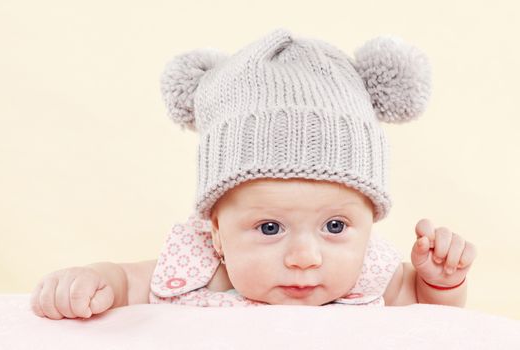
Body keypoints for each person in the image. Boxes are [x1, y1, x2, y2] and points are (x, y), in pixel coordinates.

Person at [30, 28, 476, 319]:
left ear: (368, 224)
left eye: (335, 226)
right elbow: (126, 281)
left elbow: (430, 316)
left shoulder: (368, 275)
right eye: (268, 227)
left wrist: (440, 282)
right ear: (217, 233)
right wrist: (90, 280)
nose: (305, 257)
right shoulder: (200, 270)